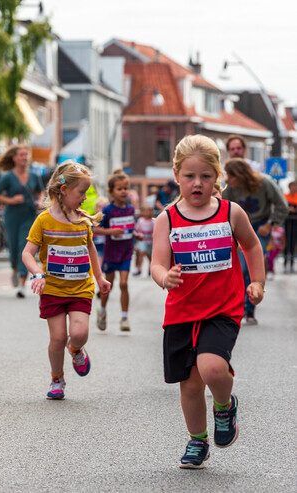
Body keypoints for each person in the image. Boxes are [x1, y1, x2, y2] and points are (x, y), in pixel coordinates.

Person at [150, 134, 265, 469]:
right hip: (182, 311)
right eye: (189, 176)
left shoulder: (231, 213)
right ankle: (197, 441)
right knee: (189, 385)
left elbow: (252, 246)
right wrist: (163, 277)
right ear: (176, 176)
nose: (197, 183)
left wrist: (257, 282)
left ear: (217, 177)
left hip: (222, 308)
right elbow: (158, 262)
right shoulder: (167, 219)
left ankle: (225, 405)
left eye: (205, 176)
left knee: (212, 367)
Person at [21, 162, 111, 400]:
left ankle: (76, 349)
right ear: (64, 190)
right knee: (57, 338)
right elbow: (27, 253)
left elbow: (90, 248)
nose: (84, 197)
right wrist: (38, 274)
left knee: (79, 333)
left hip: (81, 287)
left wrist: (99, 277)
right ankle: (57, 378)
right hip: (53, 289)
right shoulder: (44, 221)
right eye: (81, 192)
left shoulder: (83, 221)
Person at [222, 158, 288, 324]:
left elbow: (282, 205)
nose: (228, 180)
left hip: (260, 227)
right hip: (238, 228)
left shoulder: (265, 182)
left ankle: (249, 309)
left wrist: (270, 224)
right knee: (239, 268)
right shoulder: (230, 188)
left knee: (249, 268)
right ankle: (239, 307)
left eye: (231, 176)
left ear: (240, 174)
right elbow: (223, 209)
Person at [0, 144, 44, 298]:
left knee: (24, 247)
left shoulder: (34, 176)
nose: (24, 158)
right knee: (13, 247)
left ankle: (22, 283)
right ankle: (14, 267)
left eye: (26, 155)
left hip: (29, 215)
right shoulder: (7, 177)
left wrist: (40, 201)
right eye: (21, 155)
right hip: (12, 216)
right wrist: (11, 200)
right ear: (14, 158)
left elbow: (40, 192)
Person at [94, 170, 135, 332]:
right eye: (120, 189)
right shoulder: (108, 210)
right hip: (111, 253)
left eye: (126, 188)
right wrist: (111, 232)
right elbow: (95, 229)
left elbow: (131, 228)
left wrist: (136, 233)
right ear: (111, 192)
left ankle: (124, 318)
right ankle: (102, 310)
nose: (124, 191)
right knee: (108, 286)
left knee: (124, 284)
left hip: (126, 252)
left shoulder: (131, 209)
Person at [132, 206, 154, 276]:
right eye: (146, 211)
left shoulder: (153, 221)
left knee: (150, 256)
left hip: (150, 242)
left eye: (150, 211)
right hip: (142, 241)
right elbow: (136, 230)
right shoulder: (141, 220)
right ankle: (139, 268)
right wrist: (138, 235)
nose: (148, 213)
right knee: (140, 253)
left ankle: (150, 269)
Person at [283, 181, 297, 273]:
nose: (294, 188)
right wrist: (288, 209)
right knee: (286, 241)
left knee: (293, 241)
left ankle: (292, 263)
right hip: (287, 222)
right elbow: (282, 207)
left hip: (295, 222)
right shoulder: (285, 196)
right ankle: (285, 262)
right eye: (292, 186)